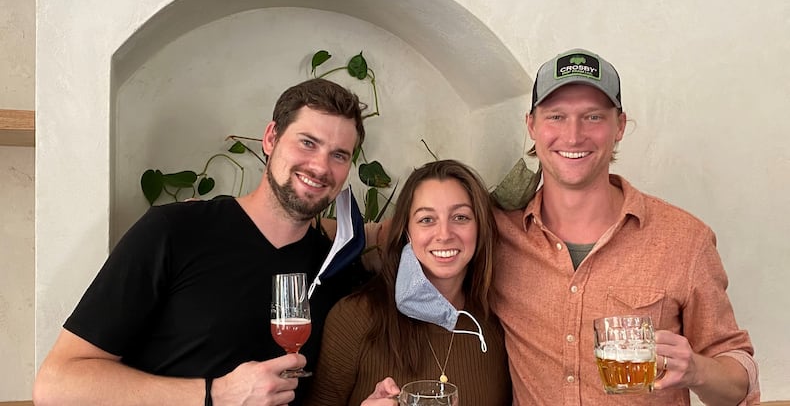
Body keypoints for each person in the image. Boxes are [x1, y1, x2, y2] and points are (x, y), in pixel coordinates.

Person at [33, 78, 370, 406]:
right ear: (271, 138)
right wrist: (215, 395)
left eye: (339, 155)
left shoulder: (337, 268)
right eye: (308, 143)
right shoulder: (173, 231)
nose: (320, 166)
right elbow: (56, 385)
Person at [491, 48, 760, 404]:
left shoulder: (685, 240)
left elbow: (737, 378)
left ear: (619, 126)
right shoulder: (498, 235)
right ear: (532, 126)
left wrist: (696, 369)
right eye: (556, 116)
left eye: (593, 117)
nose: (573, 136)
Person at [307, 160, 511, 405]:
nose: (444, 234)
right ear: (407, 232)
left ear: (480, 228)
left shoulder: (498, 325)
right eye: (426, 219)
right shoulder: (354, 318)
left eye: (460, 217)